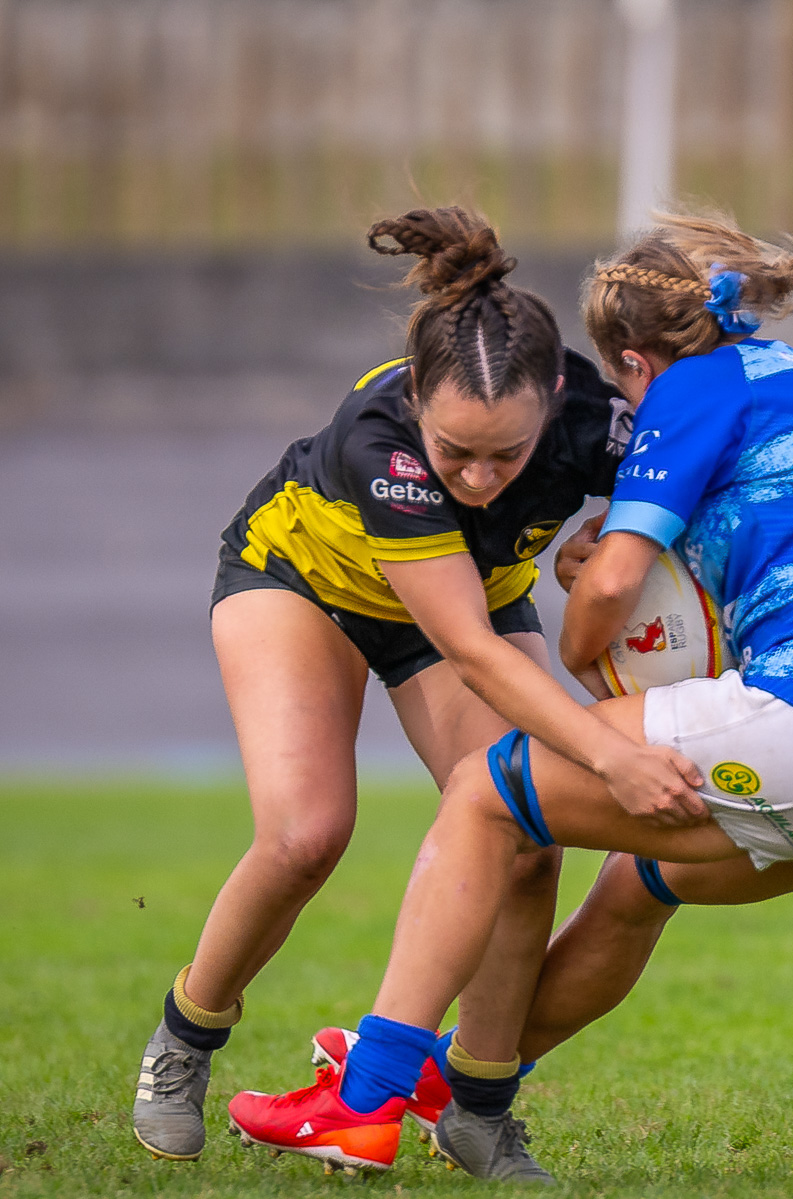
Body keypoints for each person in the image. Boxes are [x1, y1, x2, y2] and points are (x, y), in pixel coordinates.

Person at [221, 211, 793, 1181]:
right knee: (633, 887)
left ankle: (363, 1098)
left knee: (488, 794)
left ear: (633, 356)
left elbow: (617, 585)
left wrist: (583, 642)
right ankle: (465, 1093)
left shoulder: (689, 388)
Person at [129, 207, 705, 1163]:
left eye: (506, 456)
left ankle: (477, 1103)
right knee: (306, 834)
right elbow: (472, 651)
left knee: (524, 836)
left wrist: (606, 544)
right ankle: (185, 1039)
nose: (479, 478)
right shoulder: (378, 437)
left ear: (555, 397)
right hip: (303, 583)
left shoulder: (596, 420)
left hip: (464, 604)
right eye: (456, 454)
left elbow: (695, 492)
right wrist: (610, 750)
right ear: (418, 404)